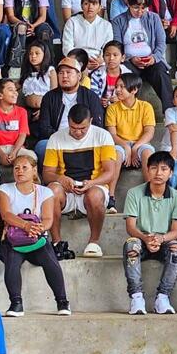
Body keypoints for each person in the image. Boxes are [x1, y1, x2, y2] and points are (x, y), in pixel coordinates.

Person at [43, 104, 119, 259]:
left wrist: (91, 183)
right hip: (66, 190)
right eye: (73, 128)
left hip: (93, 186)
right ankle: (57, 243)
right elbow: (47, 173)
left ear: (91, 121)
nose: (77, 132)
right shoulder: (56, 138)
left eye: (82, 128)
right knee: (51, 191)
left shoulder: (103, 136)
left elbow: (110, 172)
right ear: (68, 122)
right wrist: (60, 179)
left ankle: (94, 242)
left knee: (94, 195)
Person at [0, 155, 68, 316]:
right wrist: (26, 225)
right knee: (12, 263)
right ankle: (16, 303)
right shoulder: (5, 189)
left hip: (36, 238)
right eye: (16, 168)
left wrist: (37, 228)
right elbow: (6, 215)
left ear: (34, 170)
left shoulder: (45, 192)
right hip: (14, 239)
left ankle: (62, 302)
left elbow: (48, 219)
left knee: (50, 261)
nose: (19, 171)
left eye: (24, 168)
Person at [123, 151, 177, 316]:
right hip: (142, 239)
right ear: (147, 170)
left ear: (171, 172)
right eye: (154, 168)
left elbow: (176, 231)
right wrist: (146, 238)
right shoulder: (134, 193)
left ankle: (163, 297)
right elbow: (130, 226)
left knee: (176, 249)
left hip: (164, 240)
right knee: (131, 246)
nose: (158, 173)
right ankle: (136, 297)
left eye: (164, 169)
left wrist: (160, 238)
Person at [110, 0, 174, 111]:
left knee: (161, 74)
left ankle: (170, 113)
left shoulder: (154, 18)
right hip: (129, 62)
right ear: (128, 3)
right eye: (136, 7)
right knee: (126, 77)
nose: (140, 11)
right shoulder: (118, 21)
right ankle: (127, 112)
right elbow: (117, 46)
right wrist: (130, 58)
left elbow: (161, 43)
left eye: (143, 8)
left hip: (151, 60)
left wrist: (154, 58)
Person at [34, 56, 106, 164]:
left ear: (79, 75)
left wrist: (79, 137)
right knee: (42, 146)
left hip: (84, 139)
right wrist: (64, 138)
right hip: (58, 139)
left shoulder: (90, 96)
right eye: (61, 73)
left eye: (68, 72)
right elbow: (44, 128)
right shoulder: (49, 97)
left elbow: (97, 124)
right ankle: (50, 179)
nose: (64, 76)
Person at [106, 73, 156, 211]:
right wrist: (126, 147)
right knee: (115, 154)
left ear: (134, 90)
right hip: (120, 143)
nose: (118, 90)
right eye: (117, 86)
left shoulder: (145, 106)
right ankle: (110, 198)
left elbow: (149, 132)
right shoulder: (113, 108)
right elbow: (112, 134)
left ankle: (151, 196)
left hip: (141, 142)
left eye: (122, 87)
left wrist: (135, 147)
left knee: (147, 153)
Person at [0, 79, 36, 166]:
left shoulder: (22, 111)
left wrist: (14, 152)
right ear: (0, 95)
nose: (15, 93)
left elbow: (22, 134)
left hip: (16, 148)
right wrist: (1, 155)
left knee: (32, 156)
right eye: (11, 90)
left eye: (15, 90)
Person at [62, 0, 113, 72]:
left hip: (98, 62)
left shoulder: (106, 25)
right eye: (86, 4)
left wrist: (101, 59)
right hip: (77, 61)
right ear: (81, 6)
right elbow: (67, 47)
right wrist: (81, 61)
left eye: (94, 4)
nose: (90, 7)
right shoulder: (72, 22)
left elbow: (108, 47)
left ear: (100, 7)